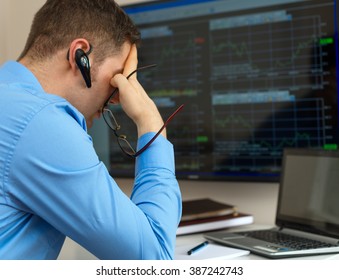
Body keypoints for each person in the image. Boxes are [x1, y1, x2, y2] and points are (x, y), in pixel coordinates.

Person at [0, 0, 182, 260]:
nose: (119, 96)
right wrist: (150, 121)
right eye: (119, 77)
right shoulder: (40, 123)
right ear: (80, 55)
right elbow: (153, 262)